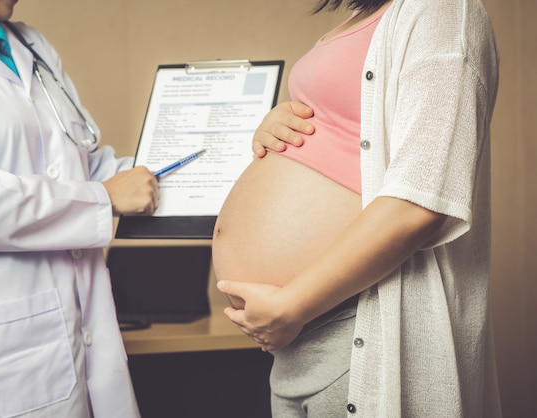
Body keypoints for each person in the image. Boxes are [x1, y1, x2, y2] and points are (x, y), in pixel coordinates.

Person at [212, 0, 501, 416]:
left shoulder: (441, 9)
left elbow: (422, 201)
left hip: (358, 321)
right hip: (296, 341)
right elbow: (352, 124)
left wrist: (291, 306)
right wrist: (279, 124)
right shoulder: (362, 16)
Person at [0, 0, 159, 416]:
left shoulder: (32, 45)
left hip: (80, 330)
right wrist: (103, 198)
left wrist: (204, 161)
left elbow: (88, 164)